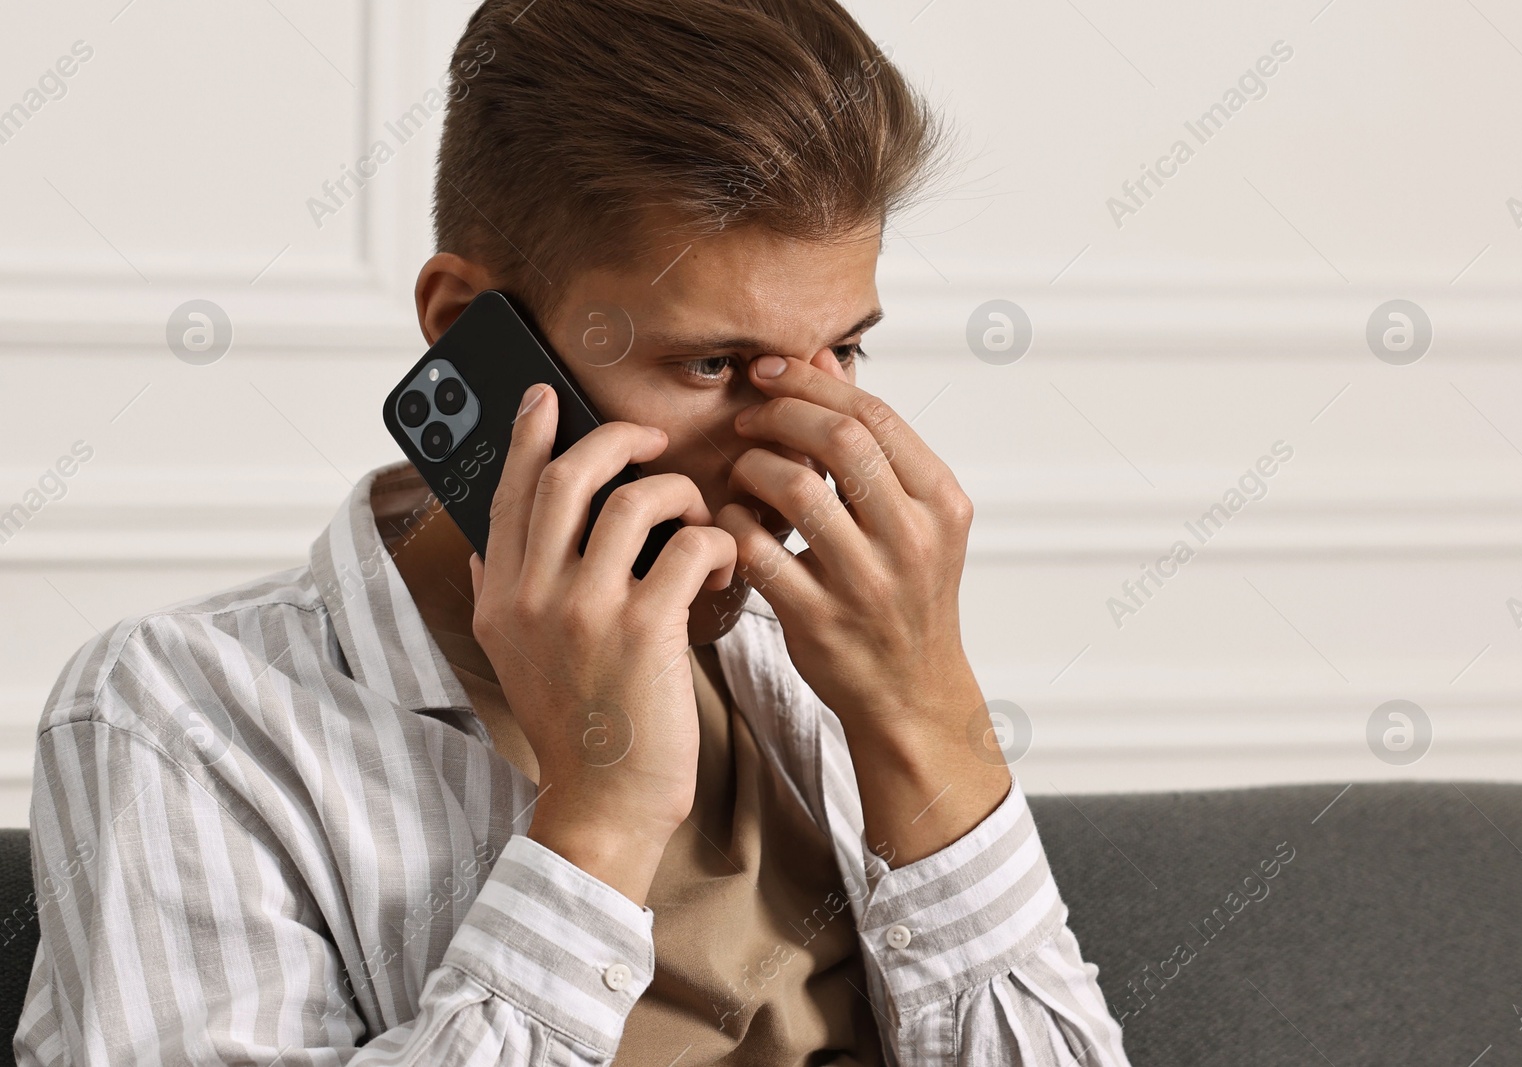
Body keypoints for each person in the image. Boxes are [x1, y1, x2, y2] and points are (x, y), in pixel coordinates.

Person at [15, 1, 1132, 1063]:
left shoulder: (829, 660)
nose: (804, 450)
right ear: (470, 337)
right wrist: (600, 817)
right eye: (711, 364)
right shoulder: (181, 716)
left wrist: (927, 721)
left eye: (845, 352)